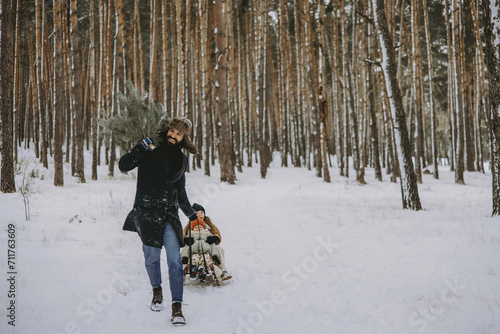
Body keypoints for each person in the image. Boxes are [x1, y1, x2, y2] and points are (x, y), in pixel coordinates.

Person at [119, 116, 198, 326]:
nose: (173, 136)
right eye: (172, 131)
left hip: (169, 215)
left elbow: (180, 190)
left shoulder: (182, 160)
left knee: (174, 260)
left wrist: (191, 214)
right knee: (151, 259)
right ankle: (156, 289)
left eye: (179, 134)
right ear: (167, 130)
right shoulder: (151, 148)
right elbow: (123, 165)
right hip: (147, 214)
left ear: (183, 137)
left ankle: (177, 307)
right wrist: (140, 148)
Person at [183, 203, 232, 281]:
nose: (200, 215)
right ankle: (181, 270)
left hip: (207, 246)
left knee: (219, 248)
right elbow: (183, 235)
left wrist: (215, 238)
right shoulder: (189, 224)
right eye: (197, 213)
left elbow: (216, 232)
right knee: (182, 250)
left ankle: (223, 271)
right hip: (193, 246)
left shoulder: (208, 223)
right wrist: (185, 240)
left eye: (202, 213)